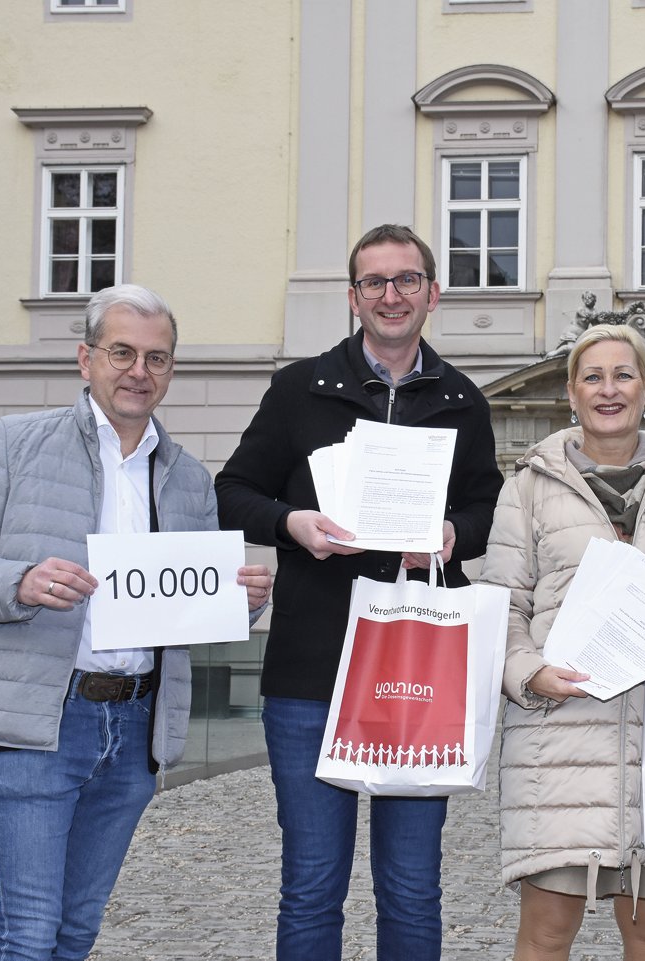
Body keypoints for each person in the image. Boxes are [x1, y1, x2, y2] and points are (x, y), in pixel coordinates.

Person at [0, 284, 273, 961]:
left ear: (171, 371)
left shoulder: (190, 479)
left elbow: (183, 609)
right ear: (86, 359)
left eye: (157, 358)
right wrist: (19, 581)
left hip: (135, 729)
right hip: (39, 720)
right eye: (122, 352)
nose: (139, 370)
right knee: (26, 930)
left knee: (75, 930)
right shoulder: (12, 443)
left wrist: (240, 602)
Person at [214, 224, 503, 959]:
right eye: (374, 282)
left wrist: (451, 535)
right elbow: (233, 492)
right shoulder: (299, 388)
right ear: (353, 297)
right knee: (312, 884)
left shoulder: (463, 400)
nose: (391, 294)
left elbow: (487, 508)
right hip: (312, 670)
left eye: (406, 279)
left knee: (411, 885)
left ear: (432, 293)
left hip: (417, 671)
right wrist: (292, 522)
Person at [480, 324, 645, 961]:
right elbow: (501, 604)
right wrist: (528, 675)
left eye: (623, 375)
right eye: (592, 377)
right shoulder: (529, 487)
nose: (608, 389)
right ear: (571, 393)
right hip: (559, 740)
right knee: (546, 933)